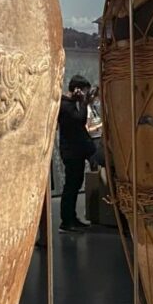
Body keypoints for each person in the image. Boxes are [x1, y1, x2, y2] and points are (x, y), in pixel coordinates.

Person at [58, 75, 97, 233]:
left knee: (74, 185)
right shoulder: (66, 106)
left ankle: (71, 218)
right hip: (71, 152)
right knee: (71, 187)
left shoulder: (70, 104)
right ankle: (67, 221)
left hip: (75, 152)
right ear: (77, 90)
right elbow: (80, 120)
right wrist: (83, 103)